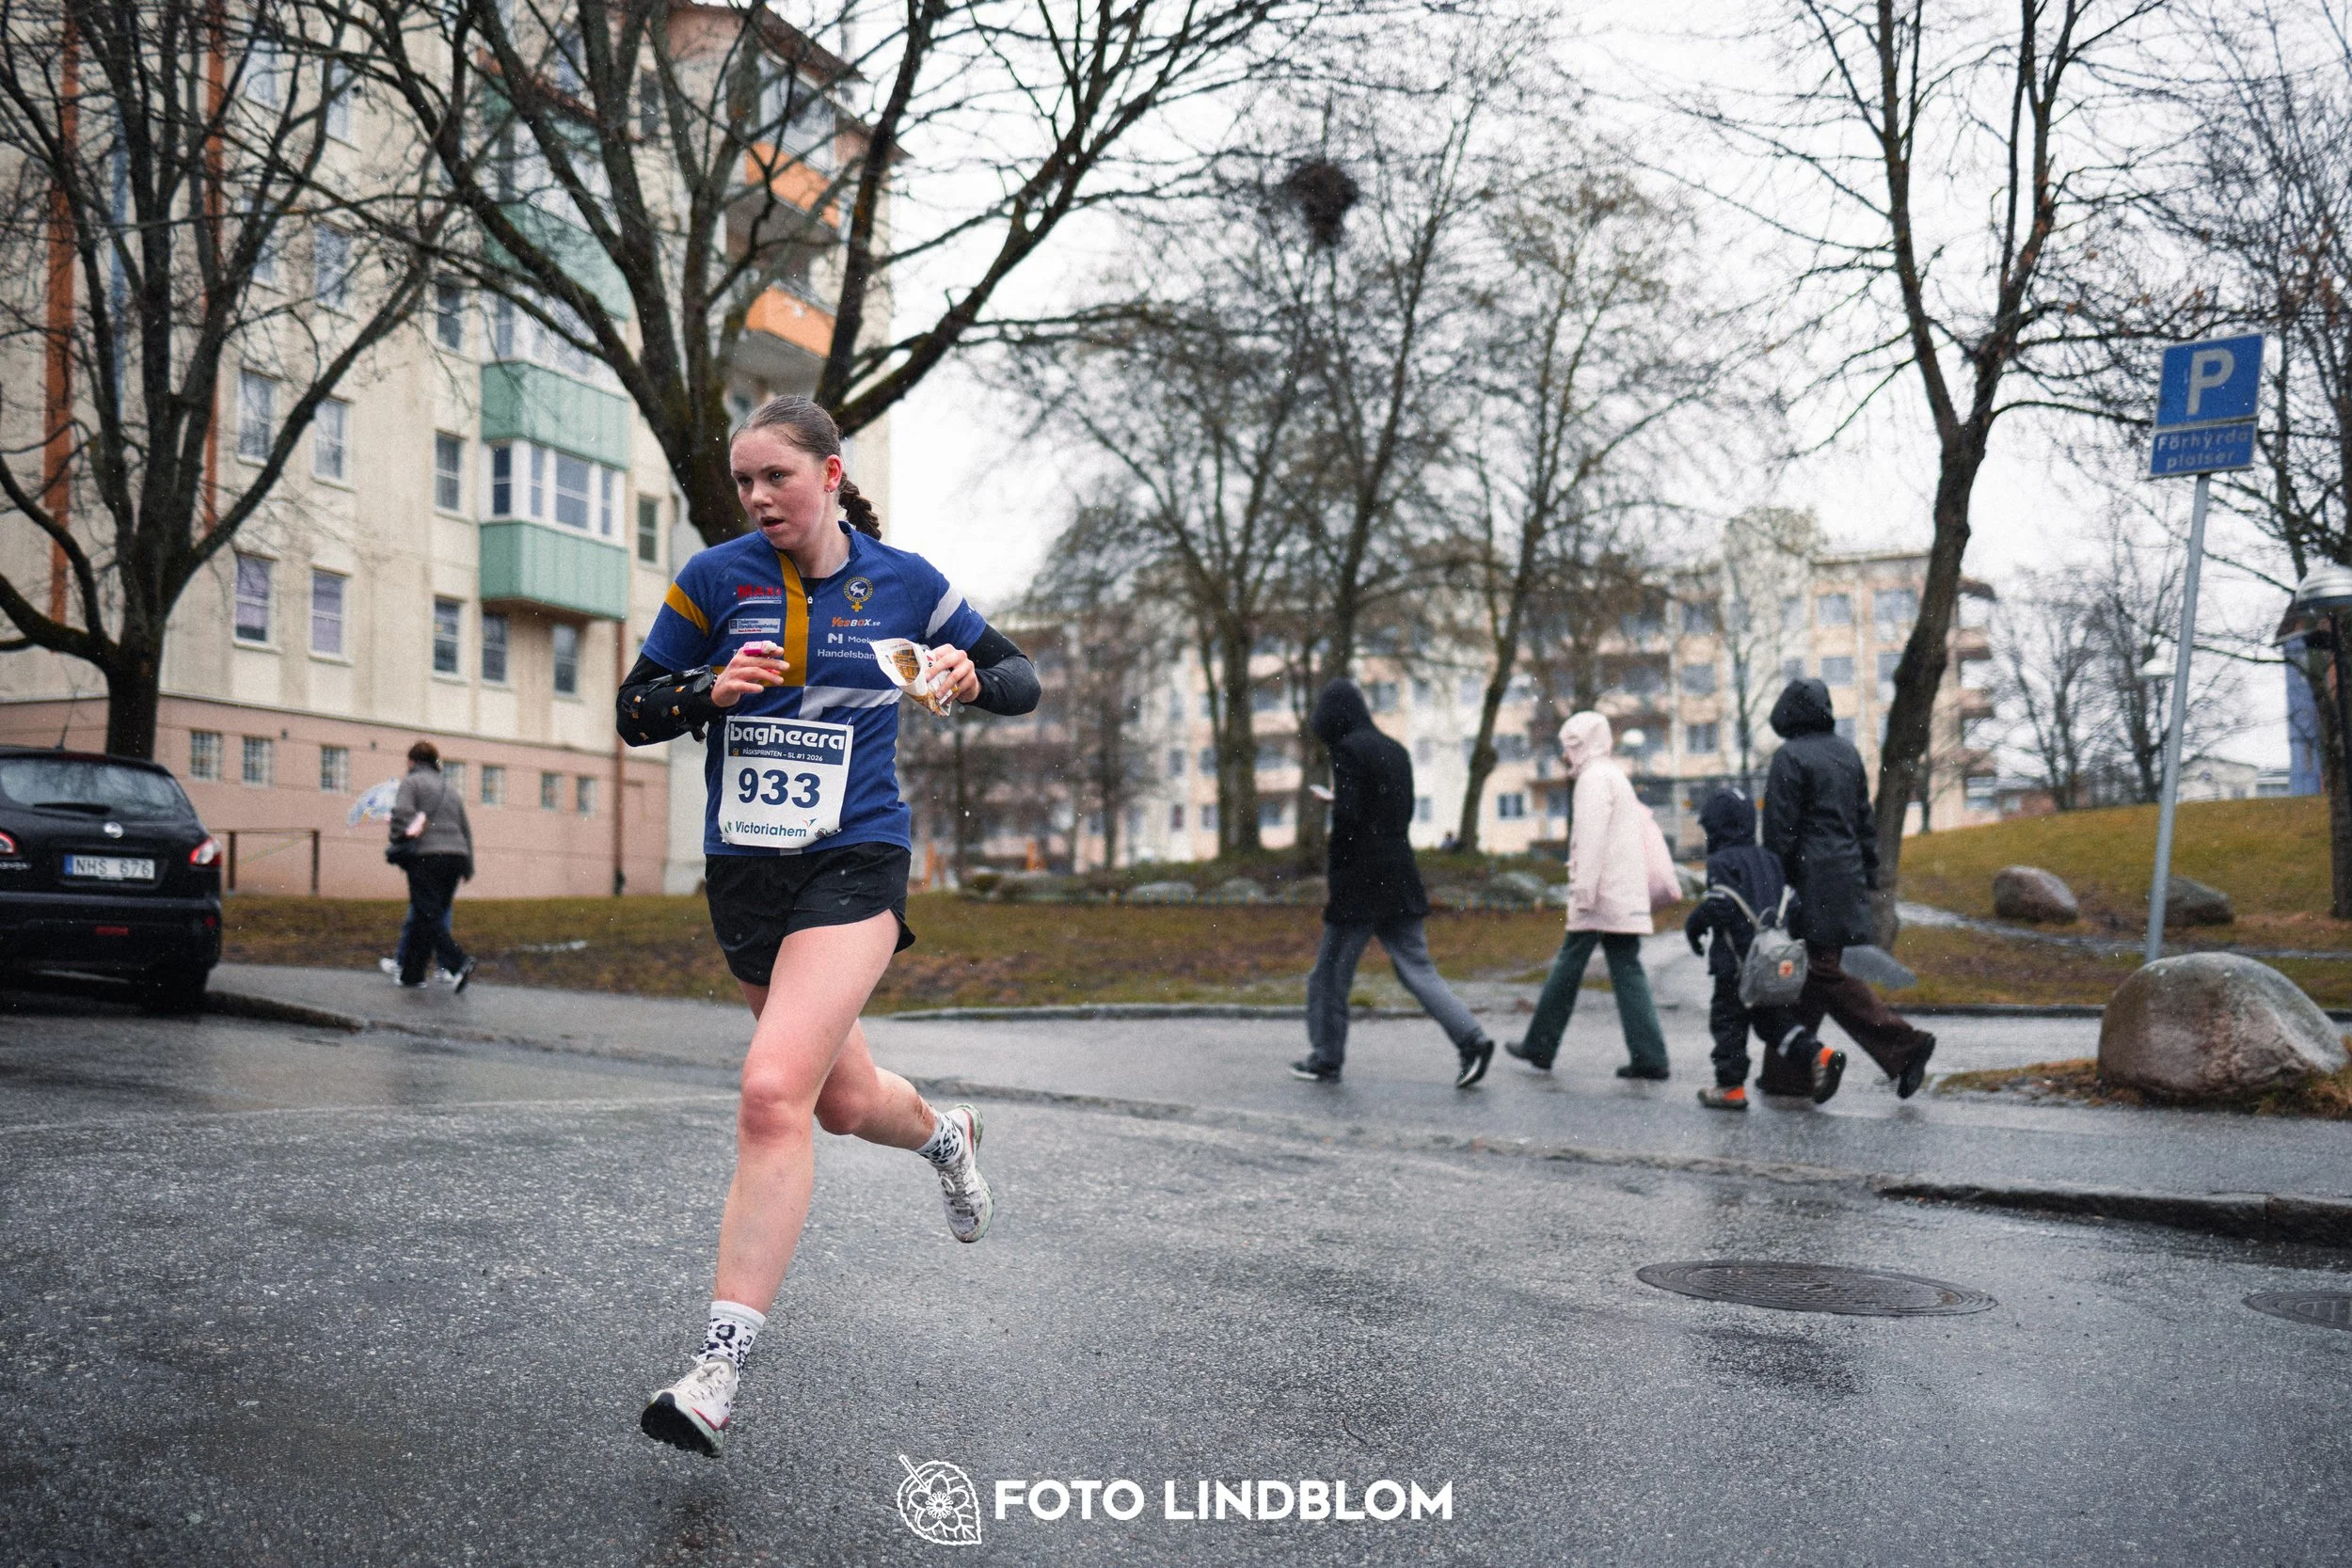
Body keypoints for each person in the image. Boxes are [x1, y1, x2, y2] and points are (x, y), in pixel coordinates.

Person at [615, 394, 1040, 1459]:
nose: (759, 497)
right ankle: (948, 1136)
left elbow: (1021, 680)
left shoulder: (905, 581)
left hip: (854, 859)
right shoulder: (714, 579)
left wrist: (968, 674)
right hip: (745, 872)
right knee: (844, 1102)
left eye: (778, 477)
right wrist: (706, 689)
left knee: (770, 1095)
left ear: (832, 474)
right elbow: (633, 708)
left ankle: (716, 1370)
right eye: (744, 481)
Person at [1290, 678, 1496, 1088]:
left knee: (1329, 974)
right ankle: (1472, 1039)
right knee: (1417, 967)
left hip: (1360, 883)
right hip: (1400, 873)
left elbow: (1349, 820)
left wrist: (1338, 871)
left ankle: (1326, 1057)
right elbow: (1393, 811)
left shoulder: (1347, 750)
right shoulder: (1396, 750)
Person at [1760, 678, 1936, 1097]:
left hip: (1810, 880)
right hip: (1844, 877)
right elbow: (1863, 821)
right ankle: (1787, 1076)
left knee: (1819, 971)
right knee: (1805, 975)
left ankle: (1904, 1045)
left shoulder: (1789, 756)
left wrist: (1772, 884)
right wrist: (1869, 876)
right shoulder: (1847, 753)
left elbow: (1779, 830)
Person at [1505, 712, 1671, 1079]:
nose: (1566, 755)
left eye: (1570, 746)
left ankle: (1540, 1045)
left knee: (1568, 964)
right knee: (1626, 968)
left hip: (1600, 895)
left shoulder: (1593, 780)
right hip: (1620, 893)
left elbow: (1591, 842)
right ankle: (1650, 1055)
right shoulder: (1613, 775)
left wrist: (1581, 893)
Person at [1682, 787, 1842, 1110]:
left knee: (1728, 1023)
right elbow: (1791, 903)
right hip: (1771, 962)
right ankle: (1818, 1055)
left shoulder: (1721, 861)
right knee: (1772, 1022)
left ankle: (1730, 1087)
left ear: (1716, 828)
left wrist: (1694, 926)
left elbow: (1720, 906)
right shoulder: (1769, 858)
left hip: (1736, 964)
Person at [388, 741, 476, 991]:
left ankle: (458, 961)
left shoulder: (411, 783)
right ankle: (412, 975)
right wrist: (468, 865)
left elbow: (402, 815)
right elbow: (464, 827)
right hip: (456, 857)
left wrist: (397, 839)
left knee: (427, 914)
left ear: (412, 761)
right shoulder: (449, 787)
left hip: (428, 856)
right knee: (428, 914)